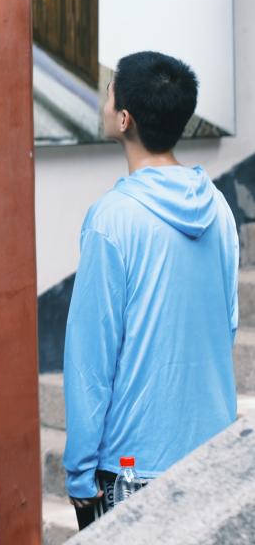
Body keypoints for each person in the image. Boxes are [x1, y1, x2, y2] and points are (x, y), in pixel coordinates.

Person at [63, 52, 238, 529]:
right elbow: (227, 324)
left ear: (124, 119)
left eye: (109, 93)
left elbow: (91, 358)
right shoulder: (219, 208)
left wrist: (79, 471)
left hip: (132, 467)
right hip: (210, 455)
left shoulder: (111, 219)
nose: (104, 102)